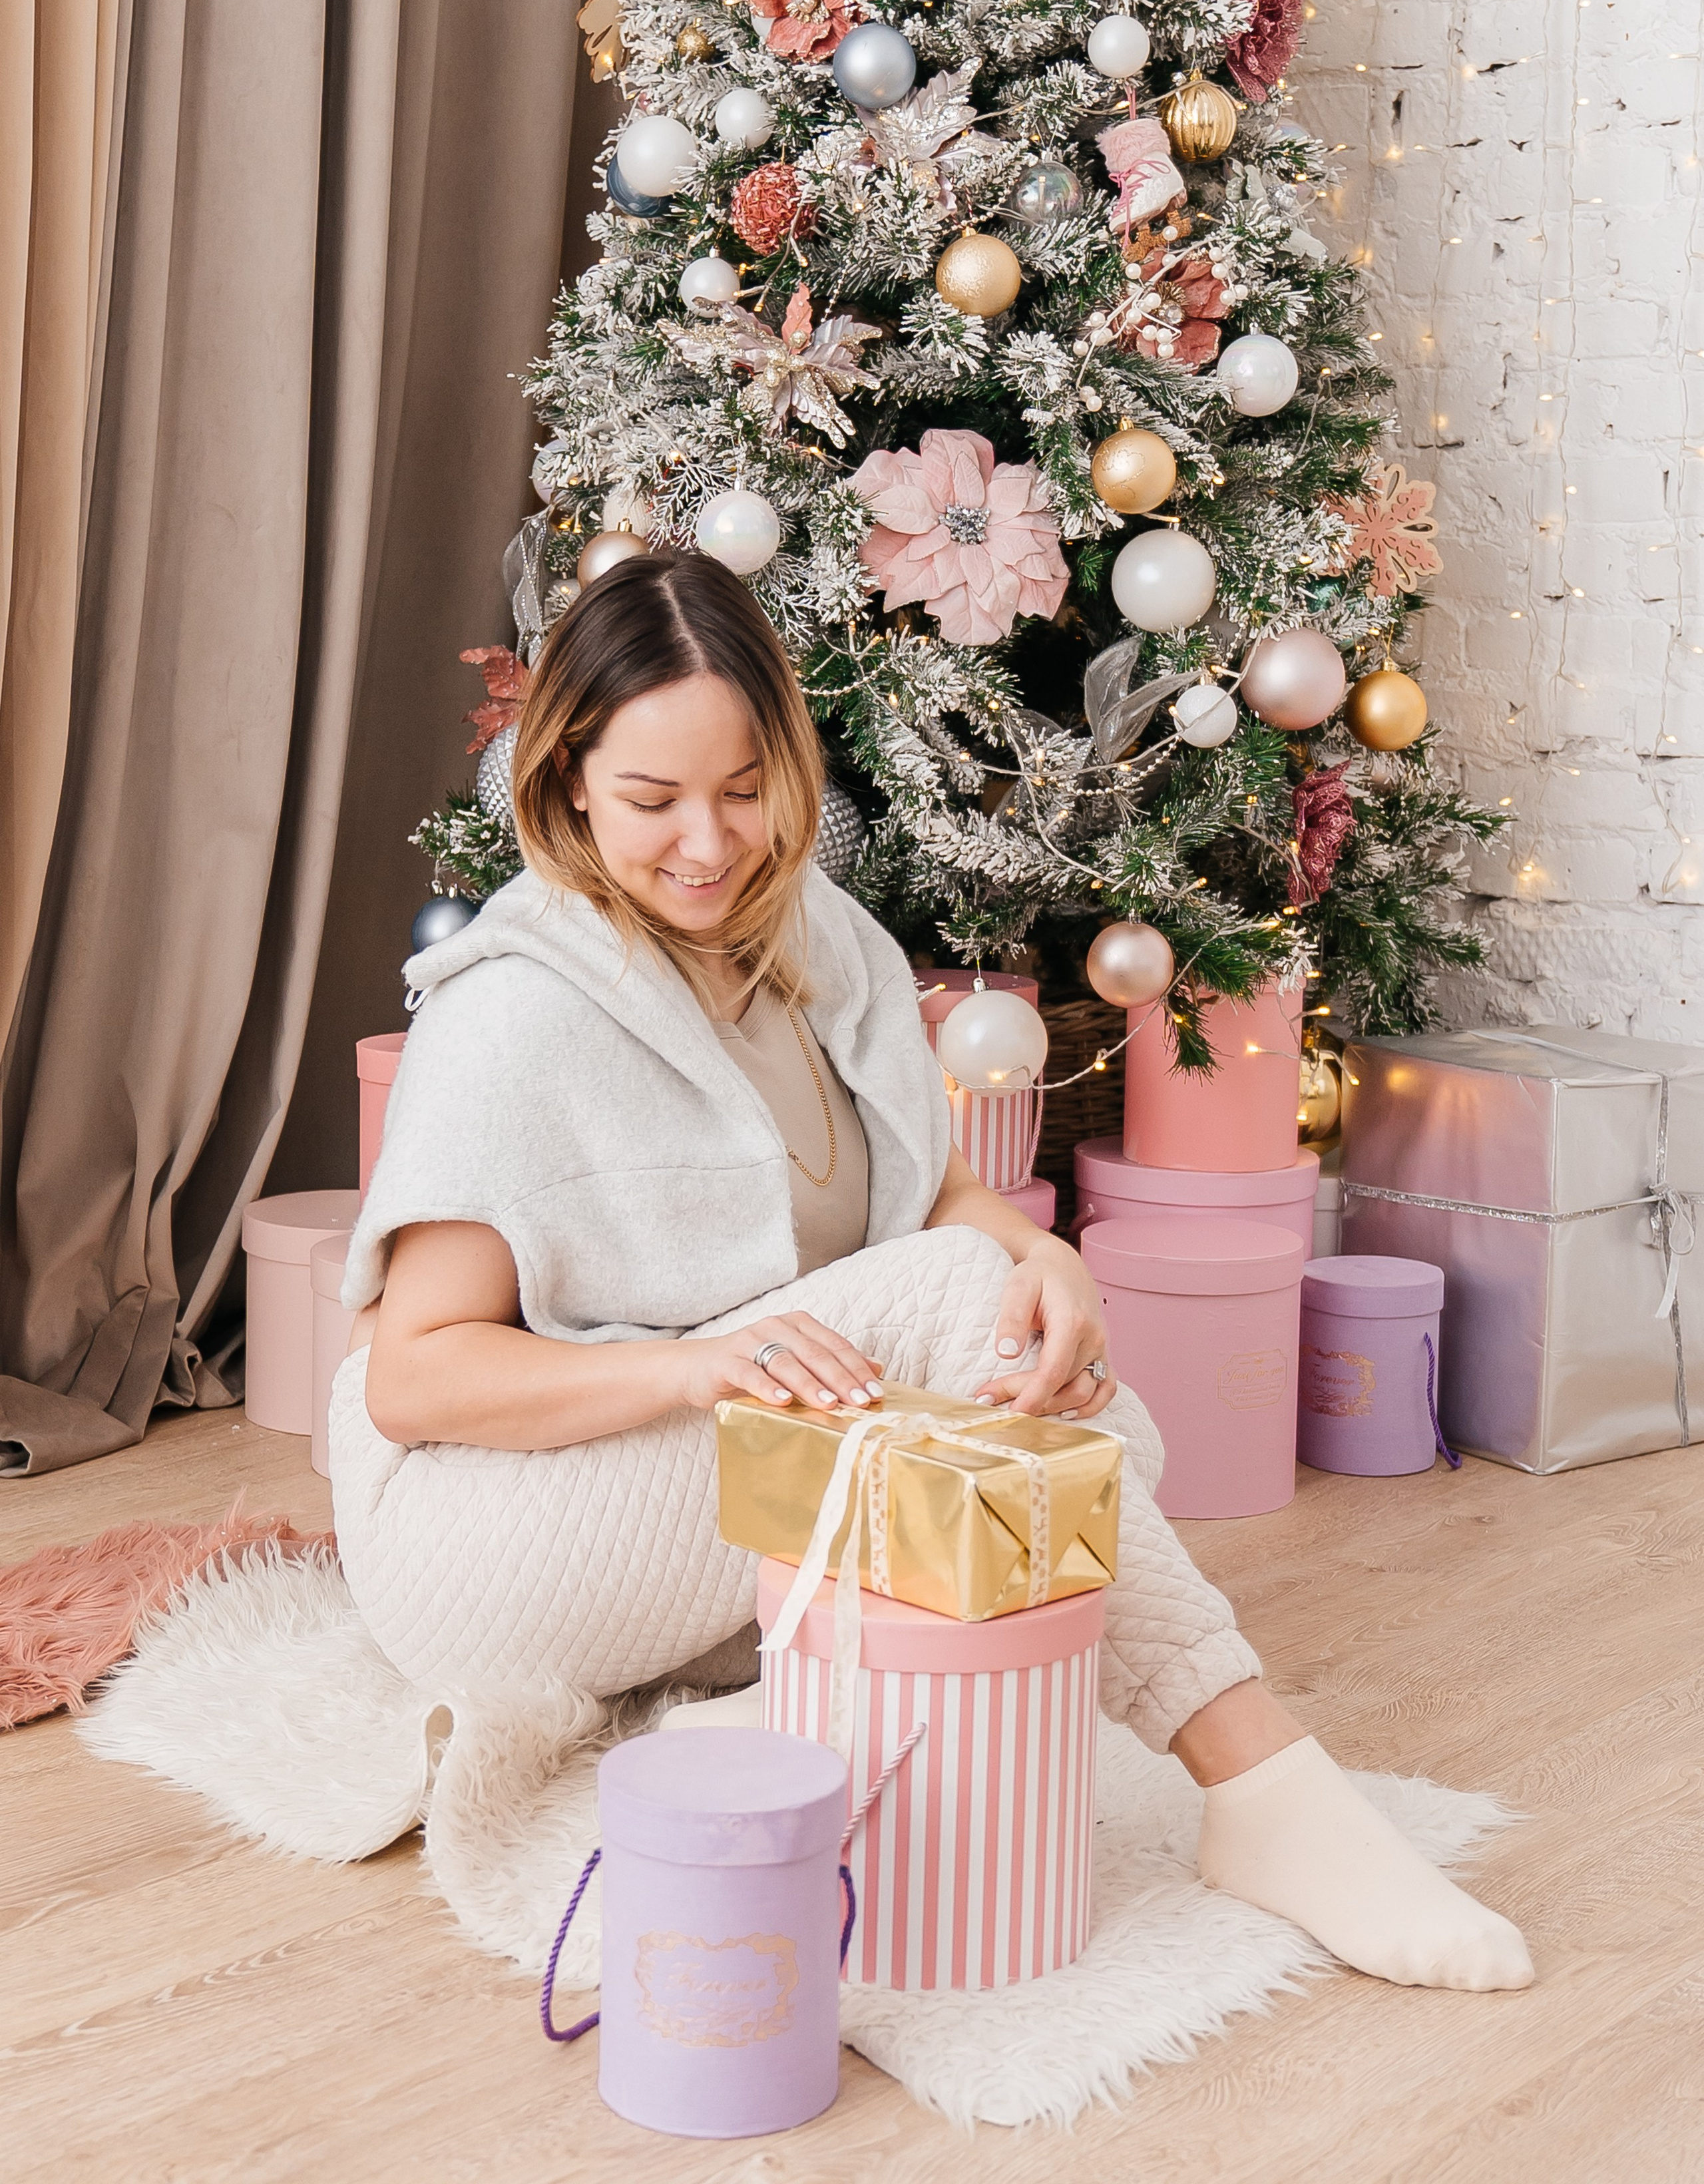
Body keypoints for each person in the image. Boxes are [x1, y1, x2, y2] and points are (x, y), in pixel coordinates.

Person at [331, 550, 1530, 1993]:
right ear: (570, 782)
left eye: (743, 788)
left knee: (1073, 1415)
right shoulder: (509, 1016)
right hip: (489, 1546)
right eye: (651, 802)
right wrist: (702, 1366)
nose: (707, 845)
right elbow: (413, 1376)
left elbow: (932, 1196)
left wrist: (1047, 1265)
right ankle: (1261, 1783)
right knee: (989, 1374)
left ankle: (807, 1699)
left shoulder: (818, 943)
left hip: (705, 1489)